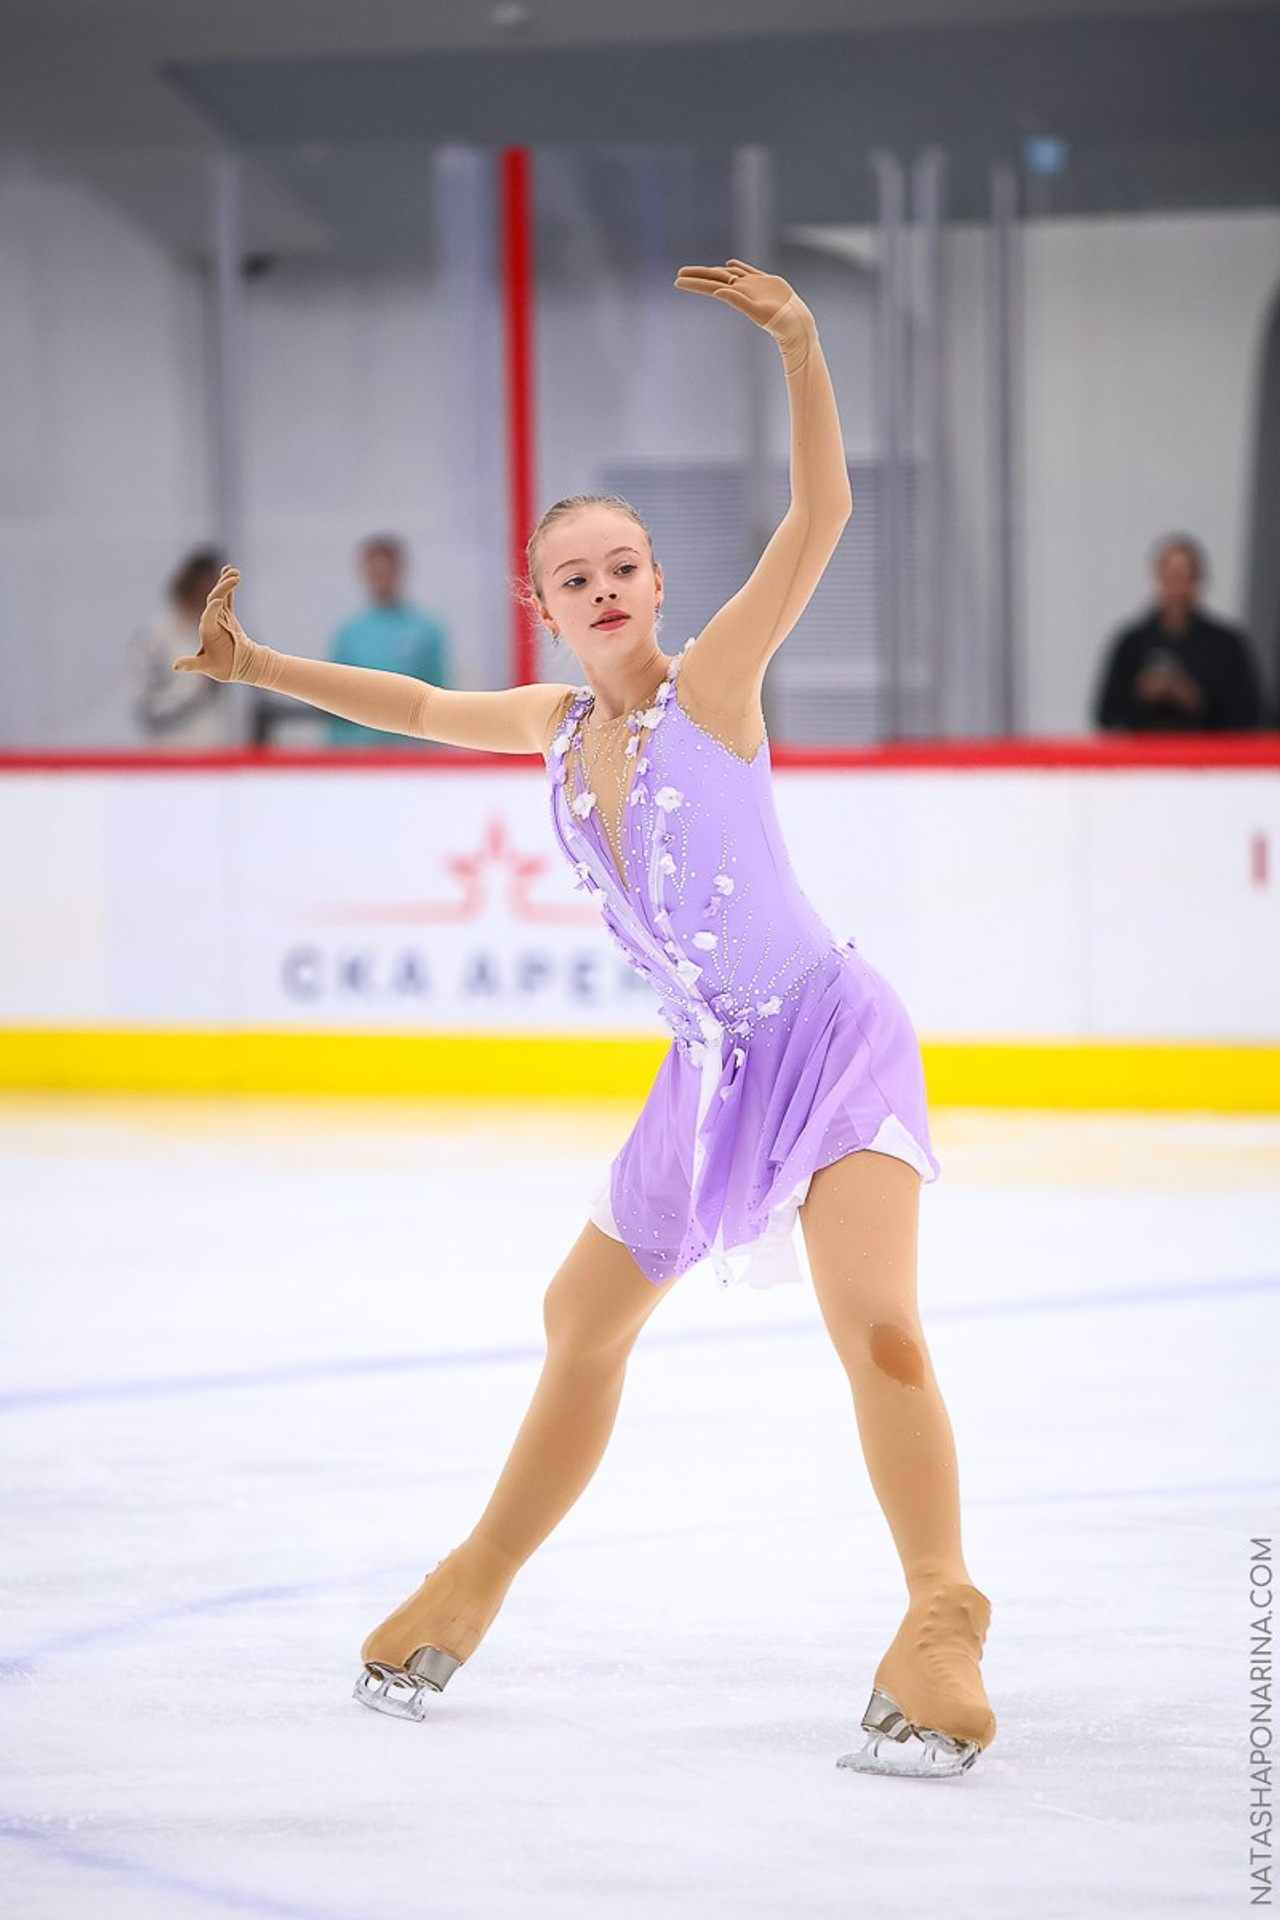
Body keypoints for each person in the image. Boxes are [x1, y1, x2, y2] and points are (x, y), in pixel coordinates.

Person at [173, 259, 995, 1780]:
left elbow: (820, 517)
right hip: (707, 1077)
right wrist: (257, 667)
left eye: (625, 565)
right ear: (541, 610)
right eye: (575, 578)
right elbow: (418, 711)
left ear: (659, 586)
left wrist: (802, 344)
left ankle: (942, 1613)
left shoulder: (716, 688)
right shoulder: (554, 731)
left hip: (827, 1042)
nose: (605, 589)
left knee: (876, 1327)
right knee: (582, 1317)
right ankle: (473, 1578)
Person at [1094, 535, 1264, 731]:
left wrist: (1196, 698)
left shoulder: (1227, 645)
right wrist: (1140, 694)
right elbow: (1107, 714)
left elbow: (1248, 714)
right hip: (1148, 745)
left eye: (1184, 576)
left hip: (1205, 745)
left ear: (1197, 580)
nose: (1176, 586)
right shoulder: (1132, 643)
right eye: (1170, 576)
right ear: (1159, 578)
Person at [324, 535, 451, 748]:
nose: (381, 581)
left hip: (412, 748)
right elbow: (333, 696)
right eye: (374, 574)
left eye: (385, 573)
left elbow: (440, 693)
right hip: (359, 748)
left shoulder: (426, 630)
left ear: (399, 571)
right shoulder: (350, 633)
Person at [130, 547, 234, 747]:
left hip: (220, 753)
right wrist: (200, 684)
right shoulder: (157, 638)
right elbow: (146, 708)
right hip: (173, 753)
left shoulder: (229, 639)